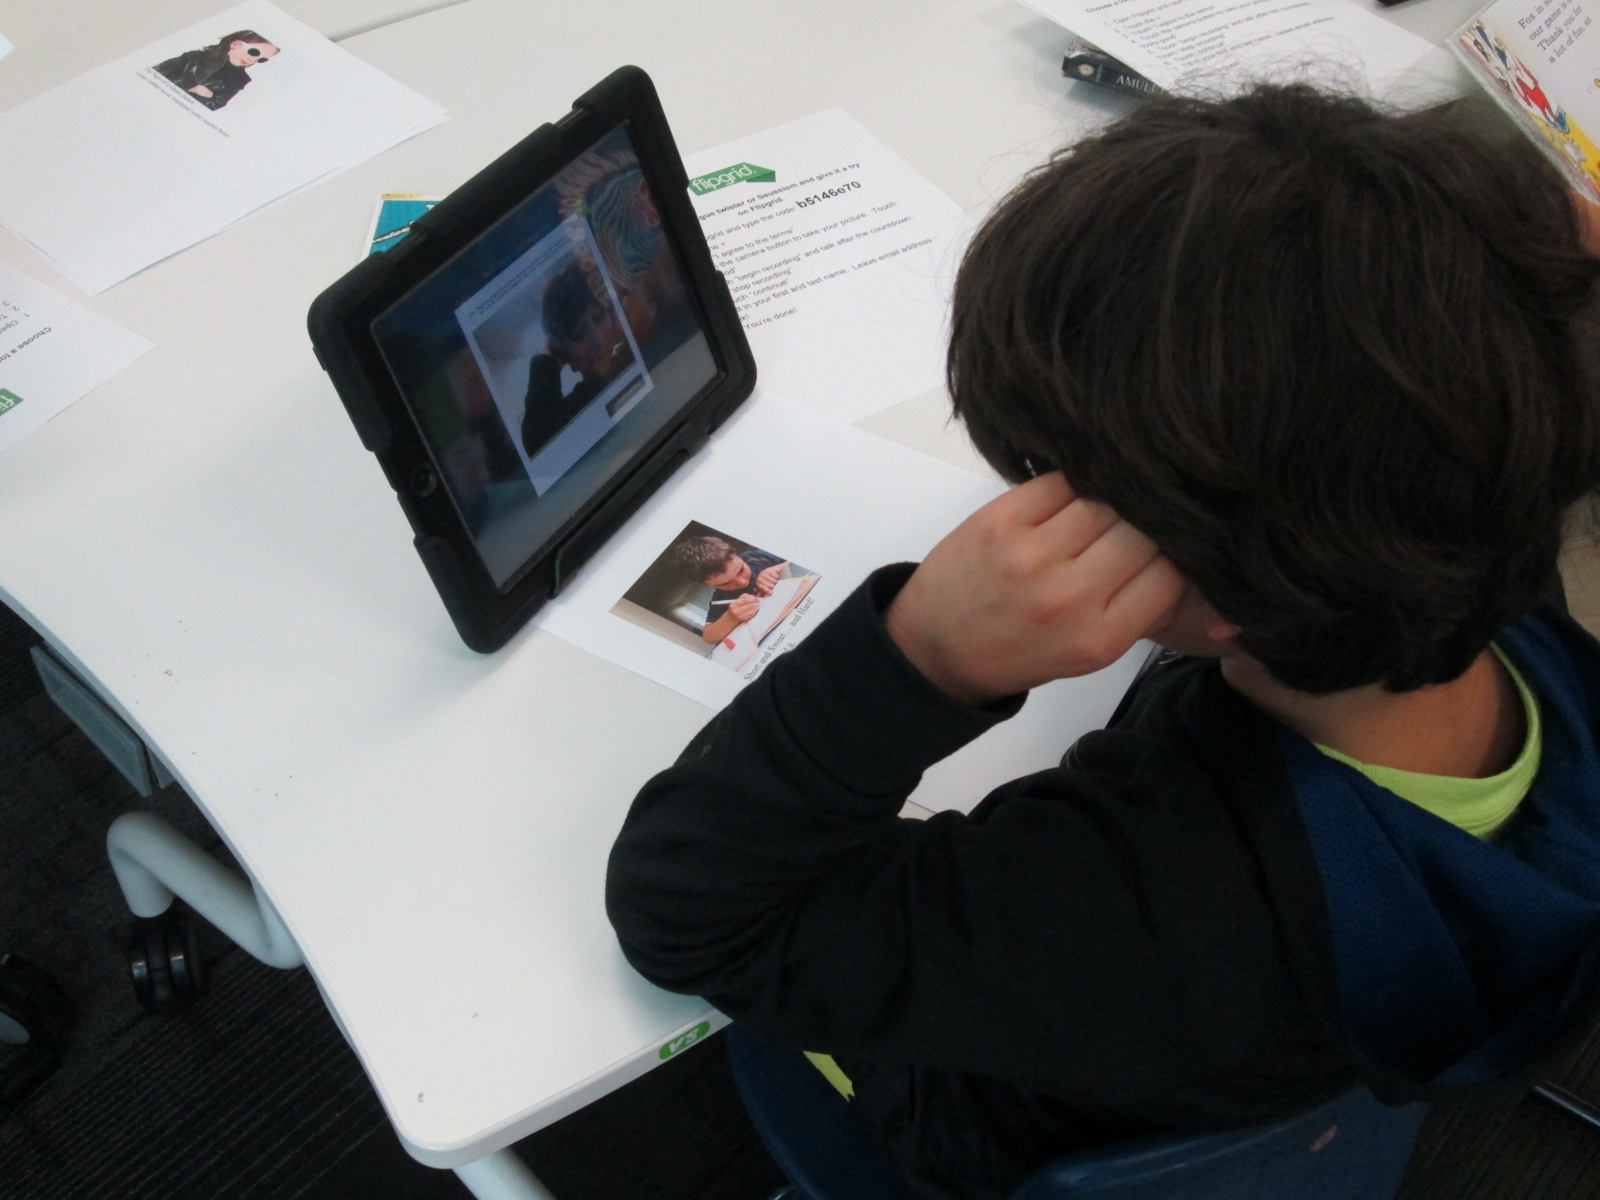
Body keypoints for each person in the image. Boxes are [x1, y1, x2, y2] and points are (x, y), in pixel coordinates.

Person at [605, 83, 1600, 1200]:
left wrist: (922, 657)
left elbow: (691, 915)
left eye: (1062, 484)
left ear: (1221, 587)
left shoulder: (1130, 914)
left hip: (969, 1119)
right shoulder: (1485, 556)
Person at [521, 262, 631, 456]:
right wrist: (548, 360)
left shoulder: (641, 341)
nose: (596, 339)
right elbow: (539, 440)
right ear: (562, 352)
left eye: (598, 317)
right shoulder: (578, 409)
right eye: (578, 333)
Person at [670, 535, 788, 645]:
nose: (742, 582)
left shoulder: (755, 558)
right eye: (725, 583)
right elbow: (708, 636)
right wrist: (732, 617)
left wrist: (776, 569)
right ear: (707, 584)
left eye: (741, 570)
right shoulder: (721, 599)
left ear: (736, 554)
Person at [154, 31, 279, 111]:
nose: (253, 60)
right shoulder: (195, 57)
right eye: (254, 52)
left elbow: (214, 105)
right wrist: (192, 88)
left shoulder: (241, 79)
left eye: (261, 59)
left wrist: (208, 96)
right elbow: (158, 72)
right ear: (235, 44)